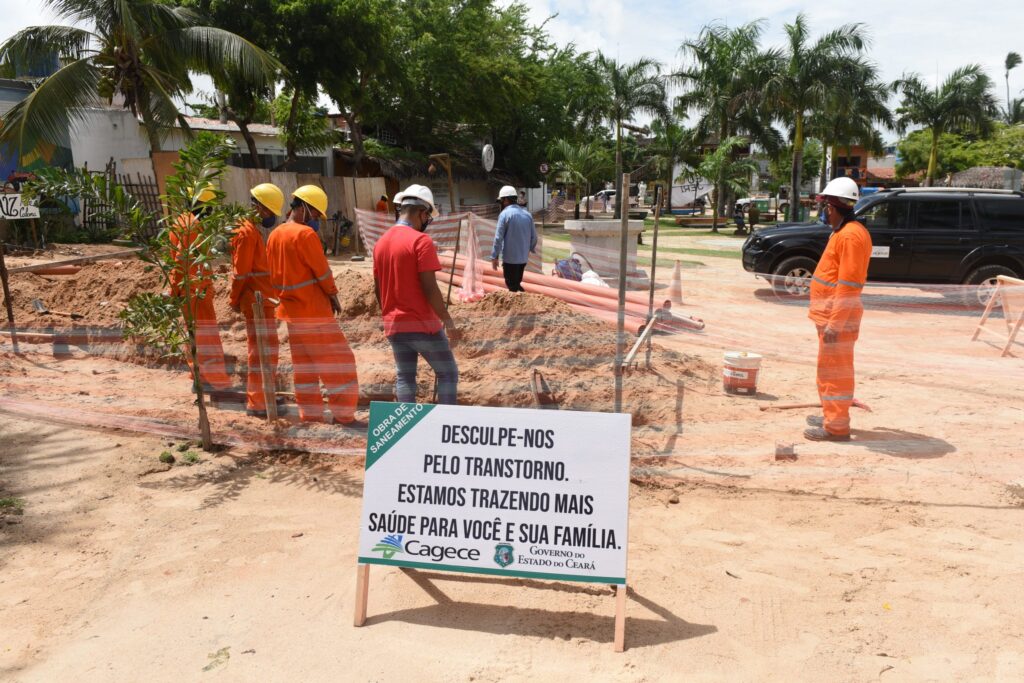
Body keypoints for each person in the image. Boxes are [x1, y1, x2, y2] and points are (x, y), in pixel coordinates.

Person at [266, 185, 361, 426]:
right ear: (305, 208)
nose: (317, 220)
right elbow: (322, 272)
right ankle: (344, 416)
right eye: (316, 214)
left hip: (291, 313)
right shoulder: (305, 235)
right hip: (314, 312)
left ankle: (309, 415)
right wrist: (333, 295)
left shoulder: (275, 234)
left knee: (305, 368)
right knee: (340, 363)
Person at [372, 184, 460, 405]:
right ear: (422, 212)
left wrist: (388, 315)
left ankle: (405, 430)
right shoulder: (421, 241)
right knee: (448, 373)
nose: (426, 222)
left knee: (405, 376)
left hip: (395, 325)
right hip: (422, 325)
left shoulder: (380, 243)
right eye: (426, 217)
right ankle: (445, 427)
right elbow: (430, 288)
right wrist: (448, 321)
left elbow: (377, 288)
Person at [805, 176, 872, 442]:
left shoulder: (851, 237)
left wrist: (835, 323)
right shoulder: (843, 233)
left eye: (824, 207)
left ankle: (836, 427)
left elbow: (848, 284)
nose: (824, 213)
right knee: (827, 369)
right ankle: (829, 413)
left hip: (838, 319)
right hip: (831, 315)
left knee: (836, 372)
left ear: (832, 208)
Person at [170, 183, 233, 395]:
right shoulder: (193, 226)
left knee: (194, 335)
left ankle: (197, 376)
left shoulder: (180, 221)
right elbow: (181, 259)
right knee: (207, 337)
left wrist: (174, 289)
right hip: (196, 290)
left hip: (187, 289)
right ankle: (216, 382)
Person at [230, 183, 282, 417]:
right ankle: (258, 402)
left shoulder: (249, 229)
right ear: (260, 207)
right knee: (260, 352)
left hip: (263, 300)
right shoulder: (246, 232)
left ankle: (265, 395)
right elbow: (240, 273)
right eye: (270, 211)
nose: (270, 217)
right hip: (257, 302)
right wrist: (233, 299)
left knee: (267, 350)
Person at [490, 185, 537, 292]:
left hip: (510, 259)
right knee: (516, 283)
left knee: (512, 285)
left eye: (501, 201)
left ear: (506, 200)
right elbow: (534, 237)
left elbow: (498, 238)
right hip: (523, 259)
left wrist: (494, 256)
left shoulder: (504, 214)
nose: (501, 204)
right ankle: (522, 303)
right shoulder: (527, 215)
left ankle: (522, 305)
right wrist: (529, 249)